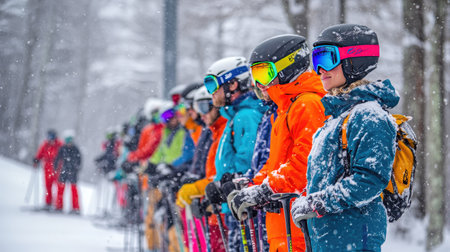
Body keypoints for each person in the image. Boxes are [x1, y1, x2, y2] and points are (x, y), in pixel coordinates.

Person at [290, 24, 397, 251]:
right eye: (316, 59)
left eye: (327, 58)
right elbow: (324, 179)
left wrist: (319, 202)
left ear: (354, 60)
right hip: (327, 239)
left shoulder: (370, 115)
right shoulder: (335, 119)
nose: (320, 69)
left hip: (353, 238)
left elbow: (370, 180)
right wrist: (306, 200)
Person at [228, 34, 327, 251]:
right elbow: (277, 165)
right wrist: (253, 187)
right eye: (255, 76)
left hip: (299, 227)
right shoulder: (285, 108)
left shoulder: (307, 104)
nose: (259, 83)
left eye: (264, 73)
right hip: (282, 227)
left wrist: (266, 189)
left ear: (287, 68)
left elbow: (307, 164)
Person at [204, 56, 267, 251]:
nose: (211, 93)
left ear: (232, 84)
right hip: (234, 202)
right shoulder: (235, 116)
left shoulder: (245, 116)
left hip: (246, 206)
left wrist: (232, 182)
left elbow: (249, 162)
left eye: (213, 84)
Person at [176, 86, 228, 252]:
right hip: (210, 203)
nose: (196, 113)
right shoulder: (207, 130)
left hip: (221, 207)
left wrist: (199, 184)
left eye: (203, 107)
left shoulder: (218, 129)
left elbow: (222, 171)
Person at [33, 129, 63, 210]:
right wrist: (37, 159)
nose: (50, 139)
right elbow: (40, 153)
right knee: (48, 186)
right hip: (47, 168)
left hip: (57, 168)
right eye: (49, 136)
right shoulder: (45, 144)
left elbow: (63, 154)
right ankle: (48, 203)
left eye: (52, 136)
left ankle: (59, 205)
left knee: (59, 186)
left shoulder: (59, 144)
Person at [54, 130, 82, 214]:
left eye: (70, 140)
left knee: (74, 190)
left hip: (73, 172)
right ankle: (59, 206)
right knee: (60, 189)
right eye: (67, 140)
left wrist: (77, 168)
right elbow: (57, 158)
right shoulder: (62, 148)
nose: (69, 143)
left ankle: (75, 208)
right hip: (64, 171)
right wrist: (56, 167)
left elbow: (79, 160)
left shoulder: (76, 149)